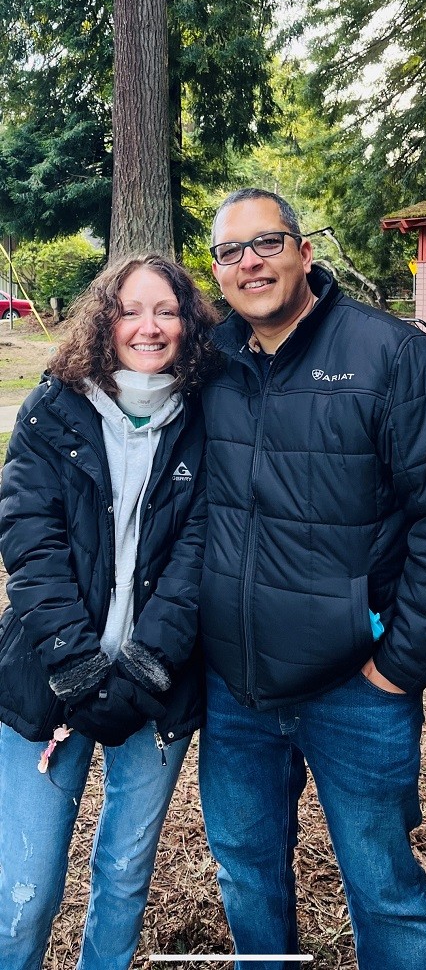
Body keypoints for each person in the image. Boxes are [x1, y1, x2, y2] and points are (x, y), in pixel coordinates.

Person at [198, 187, 426, 970]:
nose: (250, 262)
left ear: (305, 251)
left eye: (267, 242)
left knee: (383, 891)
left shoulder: (399, 359)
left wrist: (398, 670)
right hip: (236, 689)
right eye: (230, 251)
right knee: (246, 877)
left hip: (356, 689)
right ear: (217, 272)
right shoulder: (211, 364)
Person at [0, 252, 219, 970]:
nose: (147, 327)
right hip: (45, 683)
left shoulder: (209, 418)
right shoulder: (51, 409)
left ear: (188, 323)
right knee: (23, 895)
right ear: (104, 320)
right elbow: (30, 544)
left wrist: (142, 671)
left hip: (157, 691)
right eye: (130, 309)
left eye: (166, 310)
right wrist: (80, 670)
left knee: (124, 878)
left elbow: (200, 554)